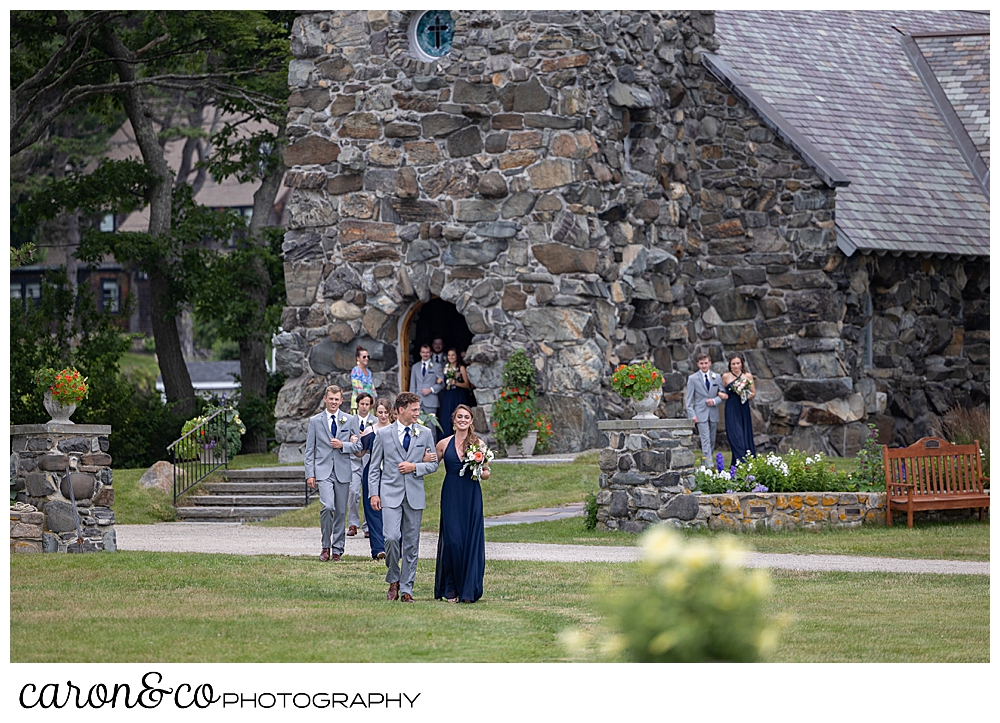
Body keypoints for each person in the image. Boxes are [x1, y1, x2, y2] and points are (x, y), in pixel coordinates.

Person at [369, 392, 439, 602]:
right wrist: (374, 493)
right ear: (401, 410)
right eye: (414, 409)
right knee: (391, 538)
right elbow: (374, 468)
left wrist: (415, 466)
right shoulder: (383, 435)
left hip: (414, 495)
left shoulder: (425, 433)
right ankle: (393, 579)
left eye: (418, 409)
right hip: (390, 493)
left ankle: (407, 588)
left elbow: (434, 464)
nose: (418, 413)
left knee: (411, 543)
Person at [434, 404, 489, 604]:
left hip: (471, 495)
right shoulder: (443, 443)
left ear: (471, 420)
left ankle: (468, 590)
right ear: (454, 419)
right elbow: (431, 464)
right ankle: (450, 588)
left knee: (470, 541)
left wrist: (479, 467)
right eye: (459, 417)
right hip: (451, 494)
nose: (463, 420)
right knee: (453, 541)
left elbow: (486, 473)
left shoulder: (479, 444)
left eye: (466, 417)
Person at [305, 385, 362, 562]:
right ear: (325, 399)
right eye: (331, 399)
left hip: (343, 470)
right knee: (327, 506)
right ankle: (325, 546)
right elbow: (309, 450)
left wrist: (343, 445)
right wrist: (310, 474)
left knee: (340, 512)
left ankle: (338, 548)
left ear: (341, 400)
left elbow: (359, 447)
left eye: (337, 399)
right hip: (323, 470)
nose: (334, 402)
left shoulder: (350, 419)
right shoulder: (315, 421)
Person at [355, 397, 392, 561]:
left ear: (390, 413)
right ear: (375, 412)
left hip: (391, 471)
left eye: (385, 412)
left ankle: (391, 544)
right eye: (380, 412)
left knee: (389, 509)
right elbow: (360, 453)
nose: (383, 415)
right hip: (372, 471)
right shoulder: (370, 430)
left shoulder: (395, 429)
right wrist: (354, 441)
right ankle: (378, 549)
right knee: (373, 509)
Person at [685, 352, 728, 465]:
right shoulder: (693, 378)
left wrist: (714, 401)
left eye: (706, 363)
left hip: (713, 413)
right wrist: (692, 415)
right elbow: (689, 400)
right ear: (698, 364)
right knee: (705, 439)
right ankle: (710, 466)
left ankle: (705, 463)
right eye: (701, 363)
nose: (704, 365)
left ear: (710, 363)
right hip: (700, 413)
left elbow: (723, 394)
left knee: (712, 440)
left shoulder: (716, 377)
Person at [347, 392, 377, 538]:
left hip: (369, 461)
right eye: (362, 404)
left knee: (368, 493)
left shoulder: (375, 421)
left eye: (367, 404)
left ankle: (368, 525)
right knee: (353, 491)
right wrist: (351, 438)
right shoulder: (349, 420)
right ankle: (353, 523)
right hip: (353, 460)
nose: (364, 407)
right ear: (357, 404)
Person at [722, 352, 757, 466]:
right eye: (733, 364)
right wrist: (721, 394)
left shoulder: (747, 376)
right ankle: (741, 462)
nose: (736, 366)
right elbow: (721, 390)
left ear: (742, 364)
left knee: (745, 435)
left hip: (743, 407)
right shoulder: (726, 376)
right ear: (730, 365)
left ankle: (742, 465)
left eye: (738, 363)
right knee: (736, 436)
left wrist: (744, 394)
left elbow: (753, 393)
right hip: (731, 408)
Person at [409, 343, 444, 441]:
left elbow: (441, 383)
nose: (425, 354)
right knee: (416, 426)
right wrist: (412, 402)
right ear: (420, 353)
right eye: (423, 352)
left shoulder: (436, 366)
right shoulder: (415, 367)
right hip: (417, 402)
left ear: (431, 353)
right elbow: (412, 385)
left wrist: (431, 389)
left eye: (427, 352)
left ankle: (432, 450)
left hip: (431, 401)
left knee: (431, 428)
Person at [438, 348, 471, 438]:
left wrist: (455, 383)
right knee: (446, 417)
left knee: (457, 416)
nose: (451, 357)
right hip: (448, 395)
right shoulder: (445, 368)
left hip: (458, 395)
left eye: (453, 355)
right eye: (449, 355)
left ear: (456, 356)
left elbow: (467, 384)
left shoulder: (461, 368)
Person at [350, 346, 376, 413]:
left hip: (369, 404)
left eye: (368, 357)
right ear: (358, 358)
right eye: (364, 357)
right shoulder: (355, 371)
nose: (366, 358)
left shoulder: (369, 372)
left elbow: (372, 387)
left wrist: (373, 398)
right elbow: (357, 388)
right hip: (359, 403)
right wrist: (366, 399)